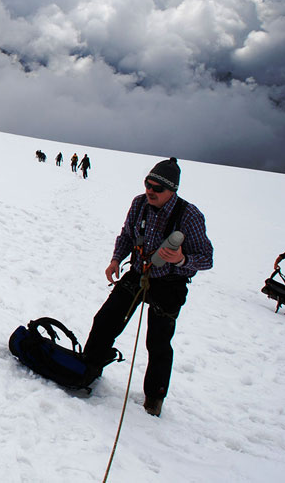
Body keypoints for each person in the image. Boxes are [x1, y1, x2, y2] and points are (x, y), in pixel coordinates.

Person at [83, 157, 213, 417]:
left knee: (158, 342)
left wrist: (182, 260)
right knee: (105, 320)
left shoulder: (190, 216)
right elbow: (128, 235)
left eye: (157, 188)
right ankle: (88, 368)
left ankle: (154, 397)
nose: (150, 191)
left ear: (172, 190)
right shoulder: (139, 204)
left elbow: (207, 258)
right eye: (148, 184)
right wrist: (116, 259)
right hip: (138, 273)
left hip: (169, 284)